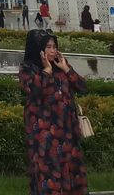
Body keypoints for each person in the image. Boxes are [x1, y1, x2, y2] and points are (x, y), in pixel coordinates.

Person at [19, 30, 88, 194]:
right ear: (39, 50)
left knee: (70, 170)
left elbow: (82, 87)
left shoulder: (61, 65)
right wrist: (47, 70)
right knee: (49, 175)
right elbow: (33, 90)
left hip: (67, 132)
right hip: (44, 136)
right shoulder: (29, 69)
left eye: (54, 47)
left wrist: (66, 69)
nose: (53, 51)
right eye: (48, 47)